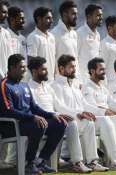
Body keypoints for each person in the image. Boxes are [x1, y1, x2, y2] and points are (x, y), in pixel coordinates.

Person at [51, 54, 116, 171]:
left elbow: (85, 104)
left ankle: (106, 161)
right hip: (68, 122)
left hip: (80, 120)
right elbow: (59, 107)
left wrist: (102, 111)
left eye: (75, 67)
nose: (74, 69)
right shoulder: (55, 86)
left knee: (111, 120)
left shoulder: (74, 85)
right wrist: (80, 113)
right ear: (61, 69)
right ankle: (114, 162)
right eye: (71, 67)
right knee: (101, 121)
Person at [27, 56, 103, 173]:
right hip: (40, 121)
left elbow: (59, 106)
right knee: (71, 123)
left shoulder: (47, 87)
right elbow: (35, 109)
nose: (47, 72)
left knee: (88, 122)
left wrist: (80, 113)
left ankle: (92, 161)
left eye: (46, 69)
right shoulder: (29, 87)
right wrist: (59, 115)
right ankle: (77, 162)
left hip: (53, 119)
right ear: (34, 71)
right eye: (43, 69)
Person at [0, 54, 67, 175]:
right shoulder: (4, 85)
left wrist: (51, 115)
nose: (25, 70)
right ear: (12, 68)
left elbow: (34, 107)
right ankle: (28, 163)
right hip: (11, 126)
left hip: (28, 124)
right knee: (39, 125)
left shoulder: (24, 85)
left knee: (60, 123)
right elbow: (8, 111)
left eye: (25, 67)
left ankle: (41, 161)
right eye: (21, 67)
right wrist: (33, 117)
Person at [5, 6, 27, 165]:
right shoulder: (5, 35)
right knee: (10, 118)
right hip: (7, 82)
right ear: (11, 20)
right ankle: (8, 159)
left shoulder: (23, 39)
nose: (23, 20)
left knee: (21, 118)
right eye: (20, 18)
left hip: (22, 83)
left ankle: (15, 159)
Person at [51, 0, 81, 83]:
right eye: (73, 14)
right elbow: (52, 60)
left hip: (75, 81)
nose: (76, 16)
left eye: (76, 14)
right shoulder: (54, 34)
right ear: (64, 14)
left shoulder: (74, 34)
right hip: (60, 82)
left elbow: (76, 59)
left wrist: (79, 80)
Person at [27, 7, 56, 81]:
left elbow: (54, 59)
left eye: (52, 18)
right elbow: (31, 62)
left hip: (52, 81)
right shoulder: (33, 37)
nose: (52, 21)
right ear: (39, 19)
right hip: (40, 81)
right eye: (48, 18)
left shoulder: (52, 36)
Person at [77, 4, 103, 84]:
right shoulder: (79, 33)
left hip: (95, 79)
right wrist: (79, 81)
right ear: (89, 17)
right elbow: (75, 57)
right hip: (84, 81)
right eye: (98, 15)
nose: (101, 17)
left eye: (101, 15)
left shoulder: (98, 35)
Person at [0, 0, 12, 79]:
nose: (7, 15)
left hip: (6, 80)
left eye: (7, 13)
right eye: (4, 12)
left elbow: (10, 57)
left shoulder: (6, 33)